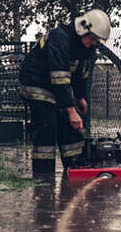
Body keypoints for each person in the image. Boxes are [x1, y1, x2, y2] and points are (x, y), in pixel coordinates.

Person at [19, 9, 111, 175]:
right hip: (37, 83)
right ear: (82, 29)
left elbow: (80, 75)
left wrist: (80, 97)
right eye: (92, 38)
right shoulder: (60, 38)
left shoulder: (86, 48)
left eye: (97, 40)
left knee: (70, 128)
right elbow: (59, 77)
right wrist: (71, 110)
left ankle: (75, 172)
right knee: (48, 126)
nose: (94, 43)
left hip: (57, 88)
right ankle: (44, 180)